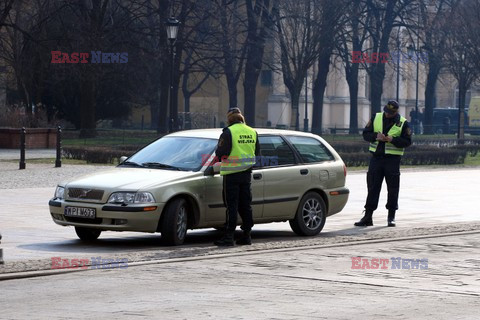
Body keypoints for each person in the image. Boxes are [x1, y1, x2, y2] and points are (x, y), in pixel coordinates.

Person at [355, 100, 412, 227]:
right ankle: (368, 216)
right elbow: (365, 134)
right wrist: (376, 136)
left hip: (392, 160)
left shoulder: (403, 123)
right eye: (386, 111)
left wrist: (393, 140)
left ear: (395, 112)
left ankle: (391, 216)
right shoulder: (376, 117)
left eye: (390, 113)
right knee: (372, 187)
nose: (387, 114)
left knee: (392, 189)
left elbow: (407, 142)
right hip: (376, 158)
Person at [213, 107, 260, 246]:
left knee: (231, 206)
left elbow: (221, 152)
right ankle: (247, 235)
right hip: (246, 174)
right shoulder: (253, 132)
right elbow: (257, 153)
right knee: (246, 205)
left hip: (232, 174)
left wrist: (219, 154)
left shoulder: (228, 132)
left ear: (229, 119)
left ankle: (228, 237)